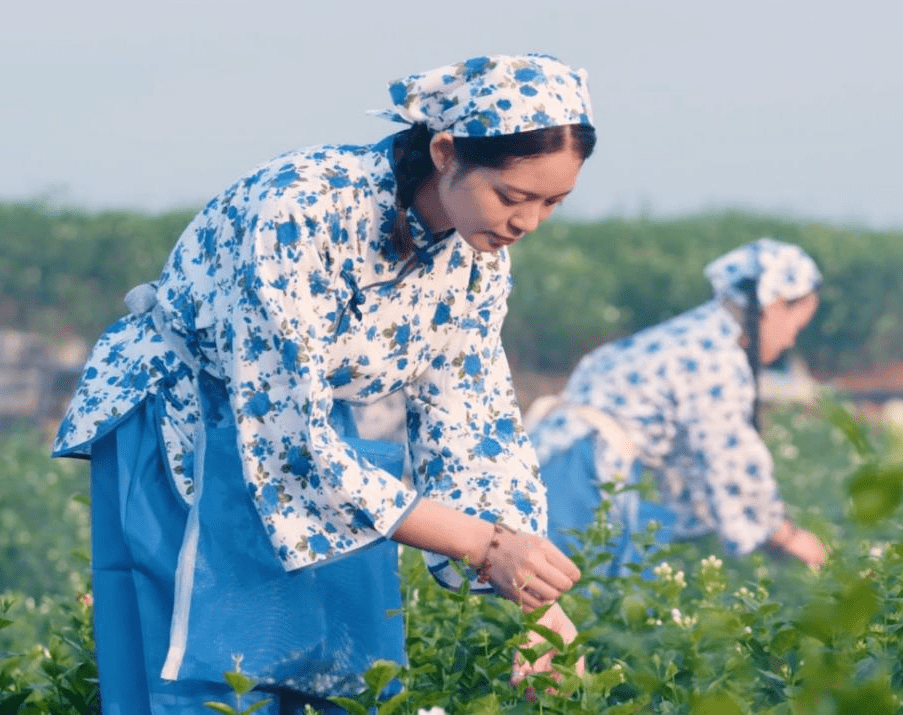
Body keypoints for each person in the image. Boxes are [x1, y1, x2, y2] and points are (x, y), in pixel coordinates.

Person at [53, 53, 596, 714]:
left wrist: (535, 602)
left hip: (314, 437)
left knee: (325, 663)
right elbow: (290, 441)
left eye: (552, 202)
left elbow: (476, 429)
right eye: (512, 196)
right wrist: (483, 544)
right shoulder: (306, 205)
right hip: (184, 419)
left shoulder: (475, 265)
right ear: (447, 151)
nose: (527, 221)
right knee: (199, 671)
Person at [526, 238, 829, 575]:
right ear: (774, 306)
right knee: (559, 586)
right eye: (796, 327)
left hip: (565, 449)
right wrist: (784, 534)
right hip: (582, 464)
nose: (790, 341)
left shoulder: (698, 331)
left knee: (564, 580)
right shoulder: (716, 356)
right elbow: (728, 459)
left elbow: (691, 465)